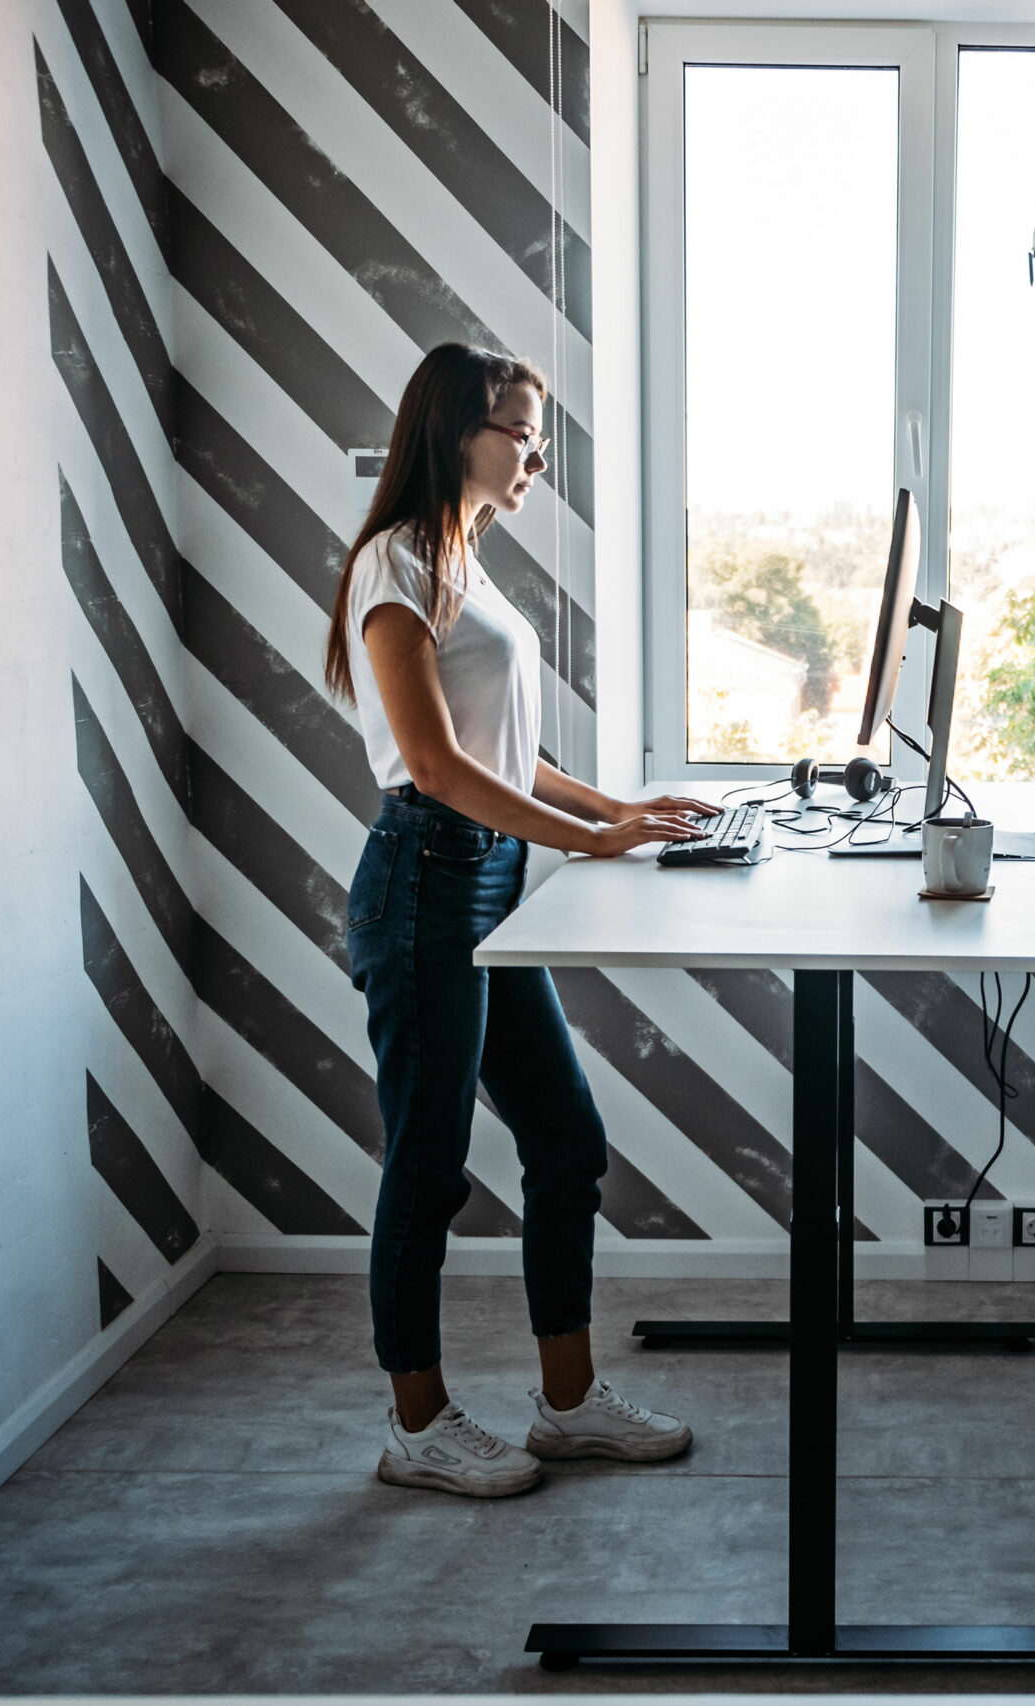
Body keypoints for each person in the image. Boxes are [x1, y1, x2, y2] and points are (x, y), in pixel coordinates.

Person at [324, 343, 712, 1498]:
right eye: (519, 430)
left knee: (564, 1140)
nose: (536, 453)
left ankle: (567, 1402)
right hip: (424, 883)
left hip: (487, 878)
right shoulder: (395, 566)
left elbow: (509, 752)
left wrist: (618, 810)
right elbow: (437, 766)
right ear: (455, 430)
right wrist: (585, 841)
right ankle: (418, 1423)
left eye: (540, 435)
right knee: (428, 1167)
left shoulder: (467, 564)